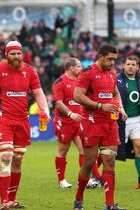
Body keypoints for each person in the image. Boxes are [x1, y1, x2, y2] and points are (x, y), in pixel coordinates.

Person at [0, 41, 49, 210]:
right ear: (6, 55)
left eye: (18, 53)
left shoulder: (30, 71)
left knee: (17, 160)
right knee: (6, 156)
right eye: (12, 54)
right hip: (3, 119)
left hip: (23, 120)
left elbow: (39, 93)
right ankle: (4, 202)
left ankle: (12, 199)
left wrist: (44, 110)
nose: (16, 57)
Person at [73, 44, 127, 210]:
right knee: (89, 162)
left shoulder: (111, 74)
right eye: (110, 59)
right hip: (91, 121)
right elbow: (77, 96)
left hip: (110, 123)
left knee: (110, 161)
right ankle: (78, 201)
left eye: (115, 60)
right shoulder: (87, 72)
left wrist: (120, 107)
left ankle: (109, 205)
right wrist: (99, 106)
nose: (112, 62)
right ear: (101, 56)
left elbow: (115, 92)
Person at [116, 55, 140, 189]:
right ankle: (96, 176)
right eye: (128, 64)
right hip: (120, 121)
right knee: (110, 151)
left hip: (137, 120)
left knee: (139, 148)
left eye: (133, 64)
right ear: (124, 66)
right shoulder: (116, 80)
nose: (131, 66)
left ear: (137, 67)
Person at [52, 57, 85, 188]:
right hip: (64, 121)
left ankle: (84, 178)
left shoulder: (80, 80)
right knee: (63, 150)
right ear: (71, 68)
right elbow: (59, 103)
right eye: (79, 66)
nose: (81, 69)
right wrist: (71, 114)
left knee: (85, 151)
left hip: (78, 121)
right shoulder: (59, 82)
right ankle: (61, 180)